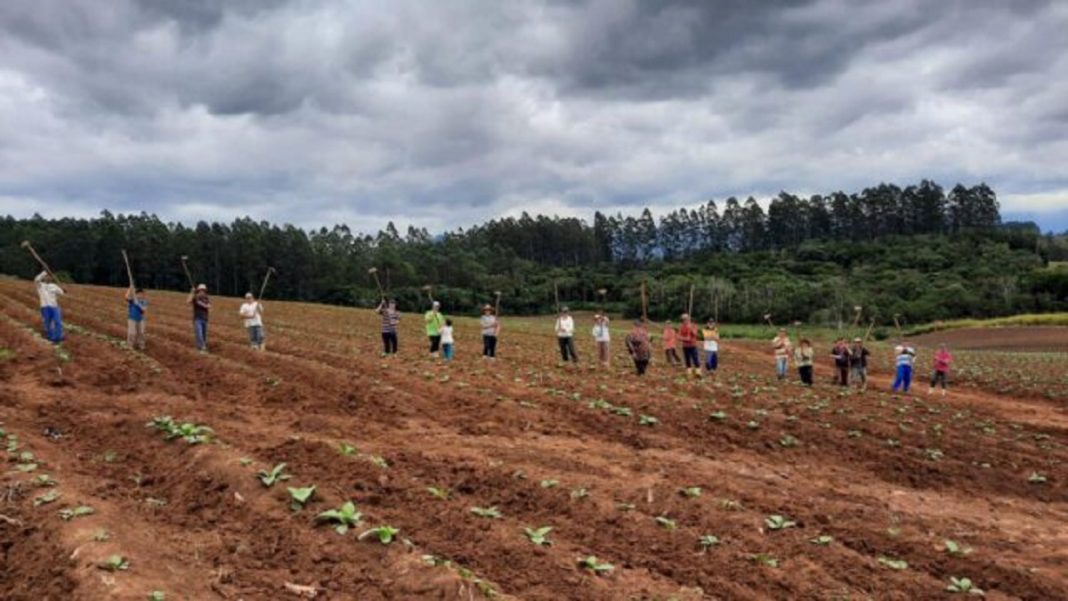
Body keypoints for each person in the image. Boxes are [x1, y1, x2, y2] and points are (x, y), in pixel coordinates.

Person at [34, 271, 65, 344]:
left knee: (58, 322)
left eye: (49, 276)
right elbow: (36, 279)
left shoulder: (54, 286)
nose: (48, 278)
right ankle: (50, 337)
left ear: (51, 278)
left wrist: (63, 290)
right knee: (47, 323)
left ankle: (58, 337)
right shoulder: (40, 285)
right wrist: (43, 273)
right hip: (45, 307)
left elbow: (61, 293)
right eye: (46, 276)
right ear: (44, 278)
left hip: (54, 306)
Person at [188, 284, 210, 352]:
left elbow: (209, 305)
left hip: (205, 319)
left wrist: (201, 304)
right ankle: (202, 348)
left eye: (203, 290)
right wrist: (191, 292)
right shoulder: (195, 297)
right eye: (201, 290)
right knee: (199, 334)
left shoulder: (206, 298)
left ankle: (200, 348)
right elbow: (188, 301)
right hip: (197, 319)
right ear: (199, 291)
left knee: (204, 335)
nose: (202, 292)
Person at [125, 286, 147, 350]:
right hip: (132, 319)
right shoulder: (132, 300)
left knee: (141, 333)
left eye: (142, 294)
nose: (141, 295)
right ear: (136, 294)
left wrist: (138, 304)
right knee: (132, 333)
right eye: (139, 294)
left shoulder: (144, 301)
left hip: (140, 320)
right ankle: (130, 346)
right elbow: (126, 297)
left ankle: (141, 345)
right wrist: (129, 290)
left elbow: (143, 310)